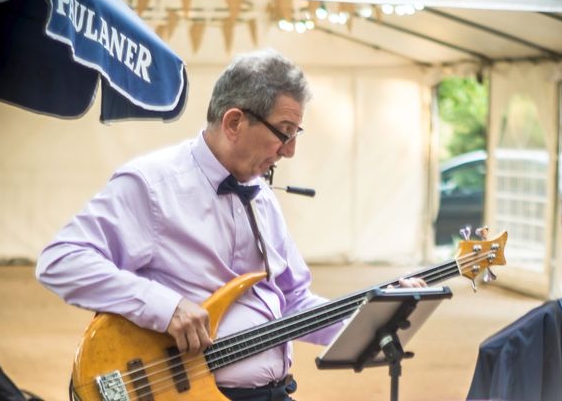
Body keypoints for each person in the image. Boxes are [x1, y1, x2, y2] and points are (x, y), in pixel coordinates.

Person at [36, 48, 425, 400]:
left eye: (295, 135)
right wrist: (164, 306)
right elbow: (62, 260)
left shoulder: (263, 197)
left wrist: (378, 310)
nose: (289, 151)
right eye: (284, 134)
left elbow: (292, 301)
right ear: (234, 121)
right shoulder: (153, 185)